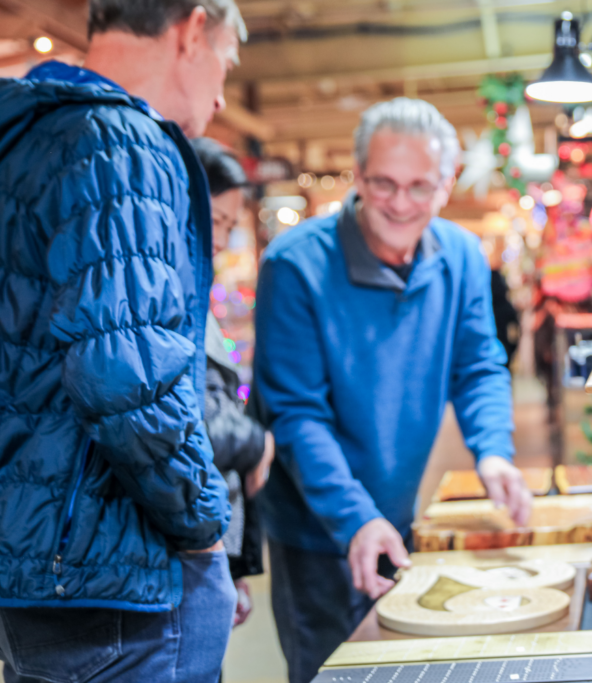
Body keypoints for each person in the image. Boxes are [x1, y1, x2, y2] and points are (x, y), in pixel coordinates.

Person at [0, 2, 245, 681]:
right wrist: (203, 523)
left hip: (35, 559)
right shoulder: (123, 144)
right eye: (225, 64)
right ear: (193, 30)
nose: (223, 95)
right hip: (118, 565)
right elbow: (124, 373)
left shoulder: (26, 133)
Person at [250, 97, 532, 683]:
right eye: (384, 183)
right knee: (332, 669)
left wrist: (494, 450)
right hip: (317, 525)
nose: (401, 204)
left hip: (397, 510)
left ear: (447, 182)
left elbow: (478, 364)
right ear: (357, 174)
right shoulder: (295, 265)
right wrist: (355, 519)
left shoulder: (459, 254)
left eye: (420, 186)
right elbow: (297, 414)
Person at [192, 137, 276, 627]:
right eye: (215, 221)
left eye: (229, 224)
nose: (220, 239)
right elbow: (190, 420)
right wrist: (252, 441)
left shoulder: (191, 291)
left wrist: (231, 564)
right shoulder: (161, 295)